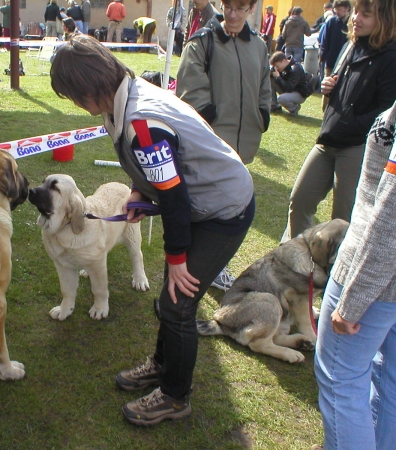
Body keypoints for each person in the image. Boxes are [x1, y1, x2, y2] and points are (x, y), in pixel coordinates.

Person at [50, 34, 255, 426]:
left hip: (224, 209)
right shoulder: (123, 97)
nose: (77, 106)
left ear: (89, 89)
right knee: (170, 299)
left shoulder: (141, 122)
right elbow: (160, 174)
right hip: (201, 201)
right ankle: (162, 365)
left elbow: (175, 198)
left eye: (74, 96)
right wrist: (137, 192)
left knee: (177, 305)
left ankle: (176, 398)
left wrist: (176, 259)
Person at [314, 100, 396, 450]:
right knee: (389, 383)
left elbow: (390, 219)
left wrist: (353, 299)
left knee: (339, 379)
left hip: (375, 280)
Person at [281, 0, 396, 243]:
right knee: (299, 201)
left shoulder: (390, 57)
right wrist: (327, 86)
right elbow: (340, 89)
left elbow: (386, 111)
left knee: (343, 220)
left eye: (366, 14)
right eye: (356, 12)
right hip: (327, 141)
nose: (357, 18)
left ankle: (334, 275)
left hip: (356, 147)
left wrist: (350, 125)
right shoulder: (351, 45)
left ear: (384, 20)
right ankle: (298, 264)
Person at [177, 0, 271, 291]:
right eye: (228, 6)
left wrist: (262, 114)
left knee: (232, 207)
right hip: (212, 145)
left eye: (240, 8)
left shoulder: (258, 46)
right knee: (209, 208)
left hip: (243, 144)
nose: (232, 14)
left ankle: (213, 264)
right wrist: (209, 120)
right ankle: (201, 266)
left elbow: (264, 85)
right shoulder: (203, 41)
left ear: (251, 9)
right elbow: (189, 88)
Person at [269, 51, 311, 115]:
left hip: (299, 93)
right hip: (289, 90)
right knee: (271, 80)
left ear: (283, 61)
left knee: (281, 99)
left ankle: (294, 108)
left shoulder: (295, 68)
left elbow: (289, 88)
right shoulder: (284, 67)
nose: (276, 68)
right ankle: (274, 106)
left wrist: (278, 77)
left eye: (277, 66)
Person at [319, 0, 351, 76]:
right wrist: (326, 57)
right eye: (335, 9)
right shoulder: (331, 22)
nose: (336, 12)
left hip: (347, 65)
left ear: (347, 8)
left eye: (339, 9)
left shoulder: (352, 24)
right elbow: (324, 41)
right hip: (331, 63)